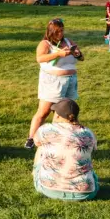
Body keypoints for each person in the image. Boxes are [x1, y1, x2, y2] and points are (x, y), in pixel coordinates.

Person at [25, 18, 84, 149]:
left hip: (70, 81)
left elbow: (82, 58)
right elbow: (40, 58)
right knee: (44, 111)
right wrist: (58, 54)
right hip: (53, 82)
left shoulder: (68, 41)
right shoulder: (45, 43)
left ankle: (60, 138)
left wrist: (78, 54)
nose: (60, 34)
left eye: (62, 30)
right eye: (57, 31)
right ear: (51, 31)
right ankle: (31, 139)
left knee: (65, 112)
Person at [33, 99, 98, 201]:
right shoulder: (88, 133)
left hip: (48, 189)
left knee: (41, 147)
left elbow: (36, 142)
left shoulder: (45, 129)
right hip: (85, 194)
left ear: (58, 115)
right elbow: (93, 150)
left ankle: (37, 174)